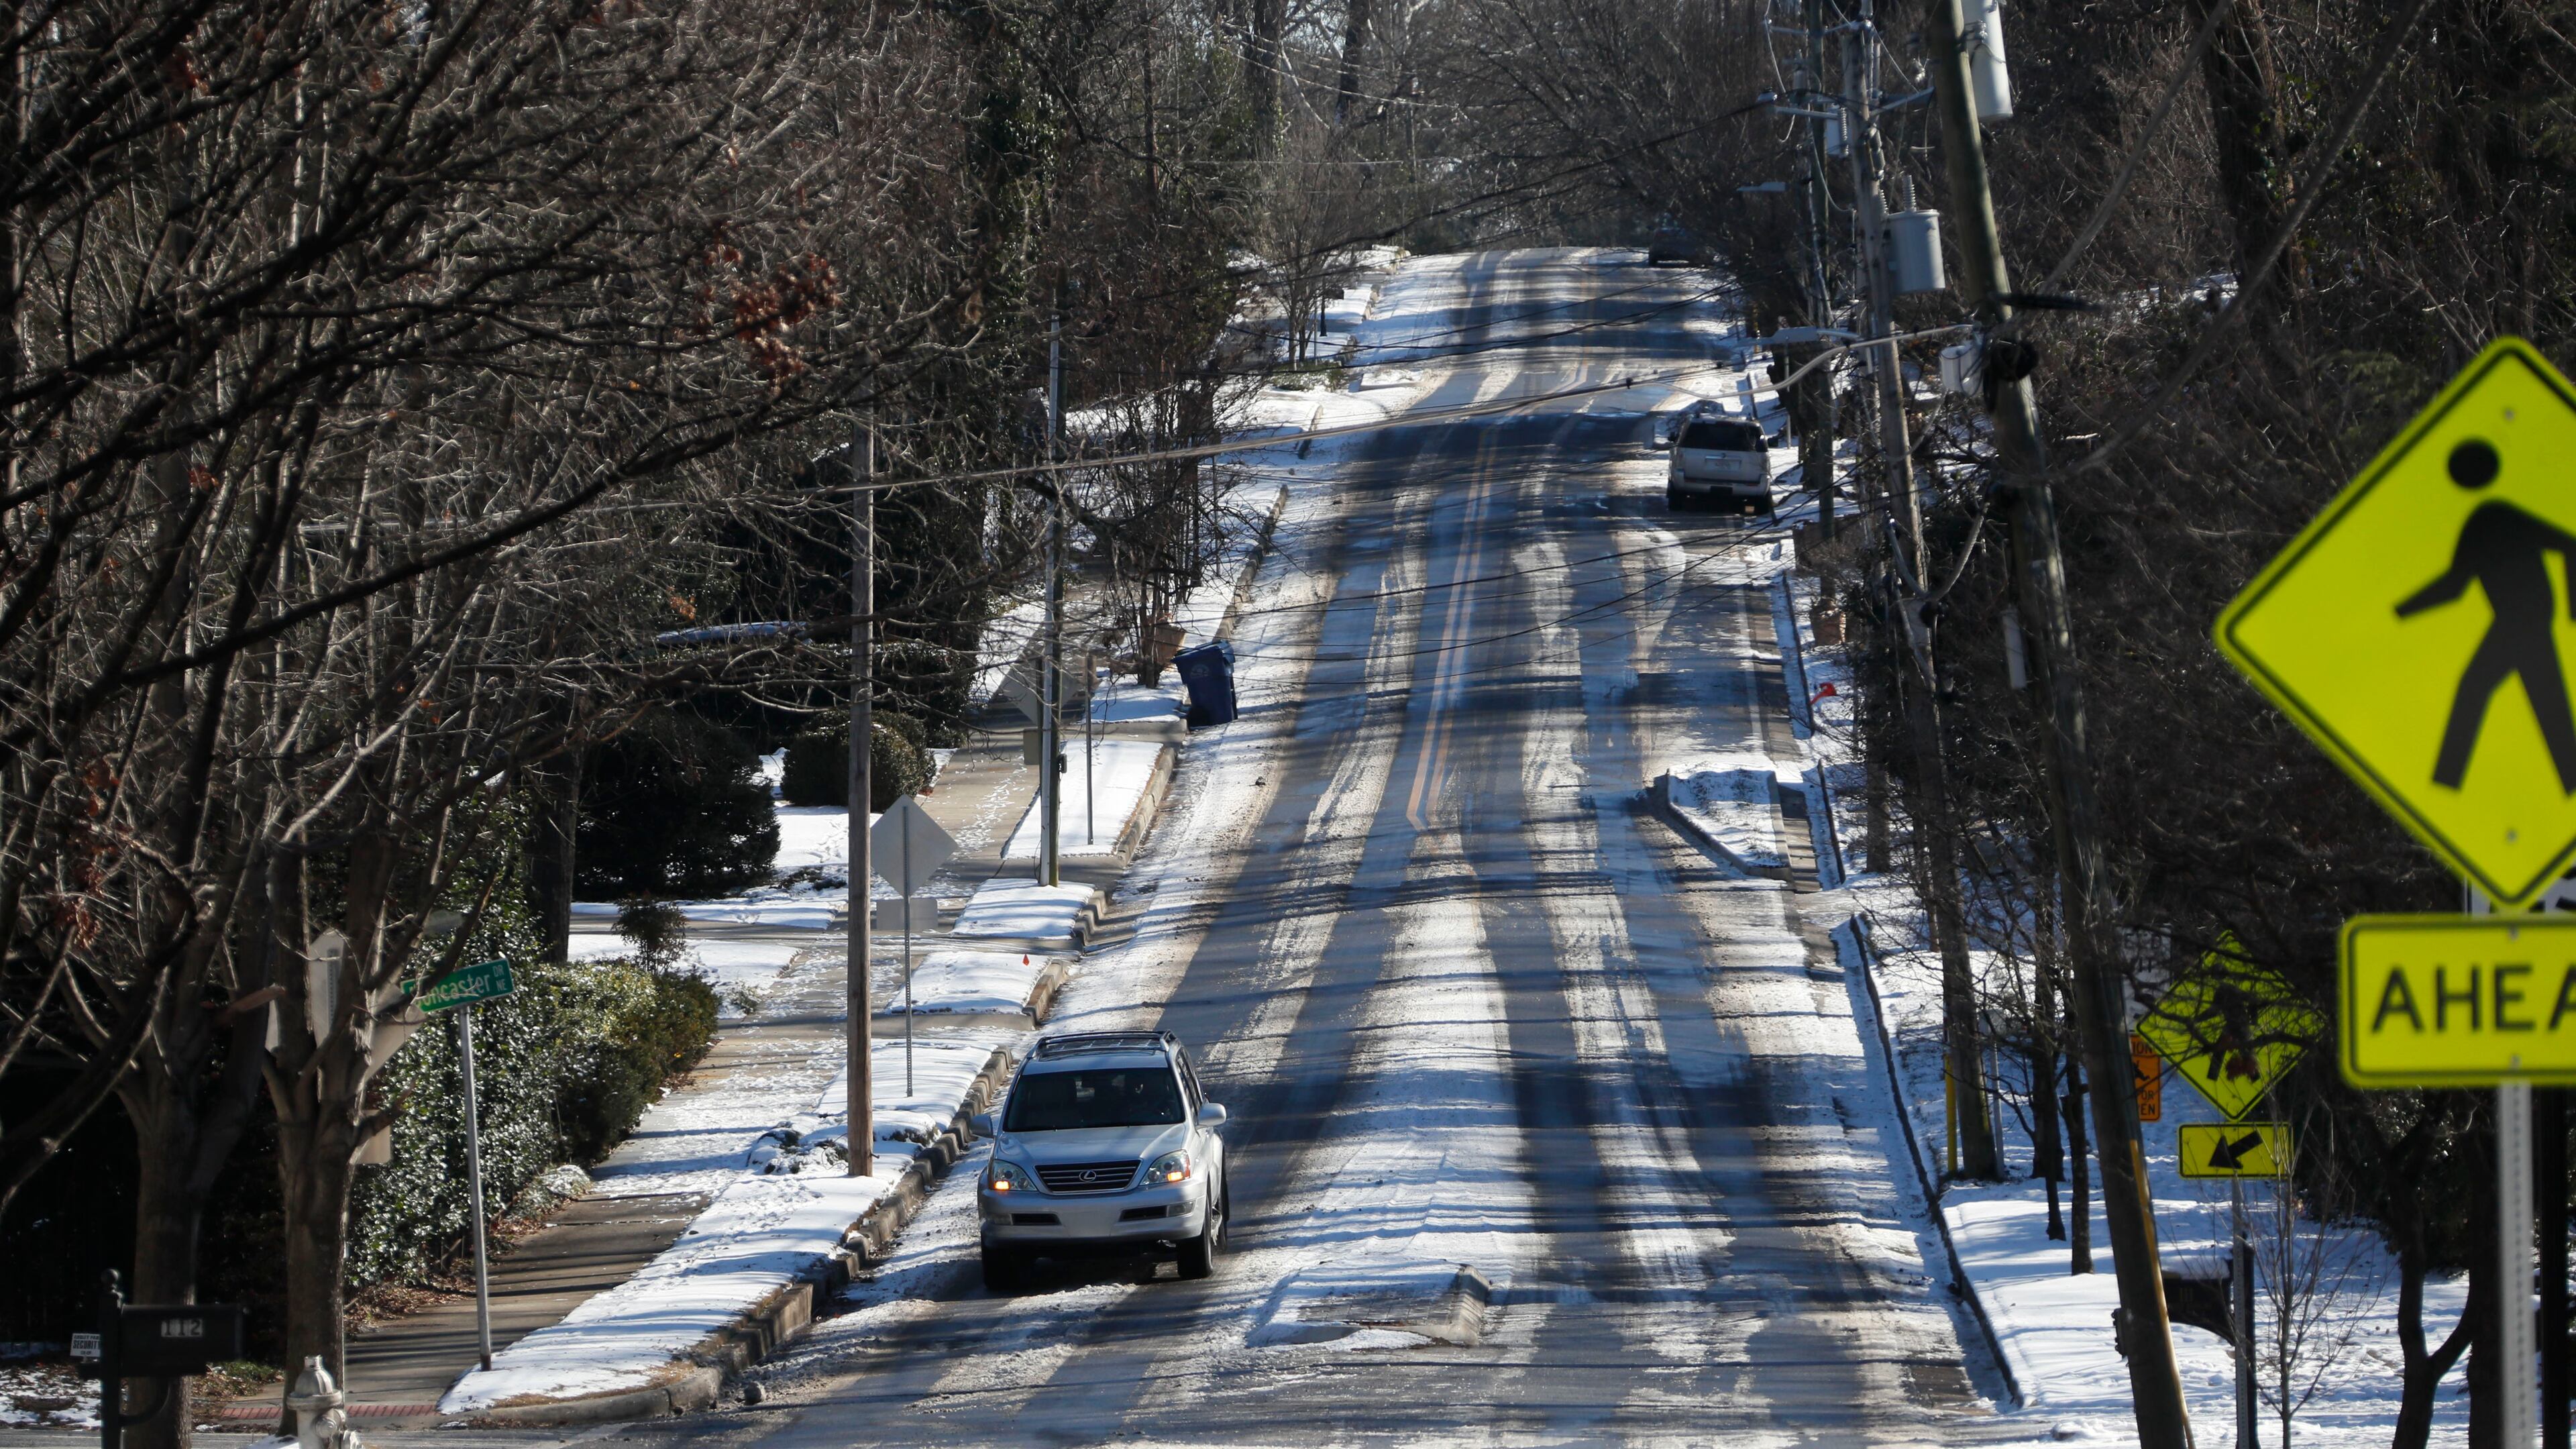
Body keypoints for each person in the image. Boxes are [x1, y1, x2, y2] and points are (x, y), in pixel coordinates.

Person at [2394, 438, 2576, 792]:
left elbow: (2570, 545)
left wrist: (2574, 609)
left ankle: (2445, 785)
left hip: (2523, 619)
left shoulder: (2494, 517)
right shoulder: (2484, 520)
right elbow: (2455, 587)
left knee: (2475, 688)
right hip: (2523, 619)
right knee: (2545, 699)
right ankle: (2570, 783)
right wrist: (2399, 611)